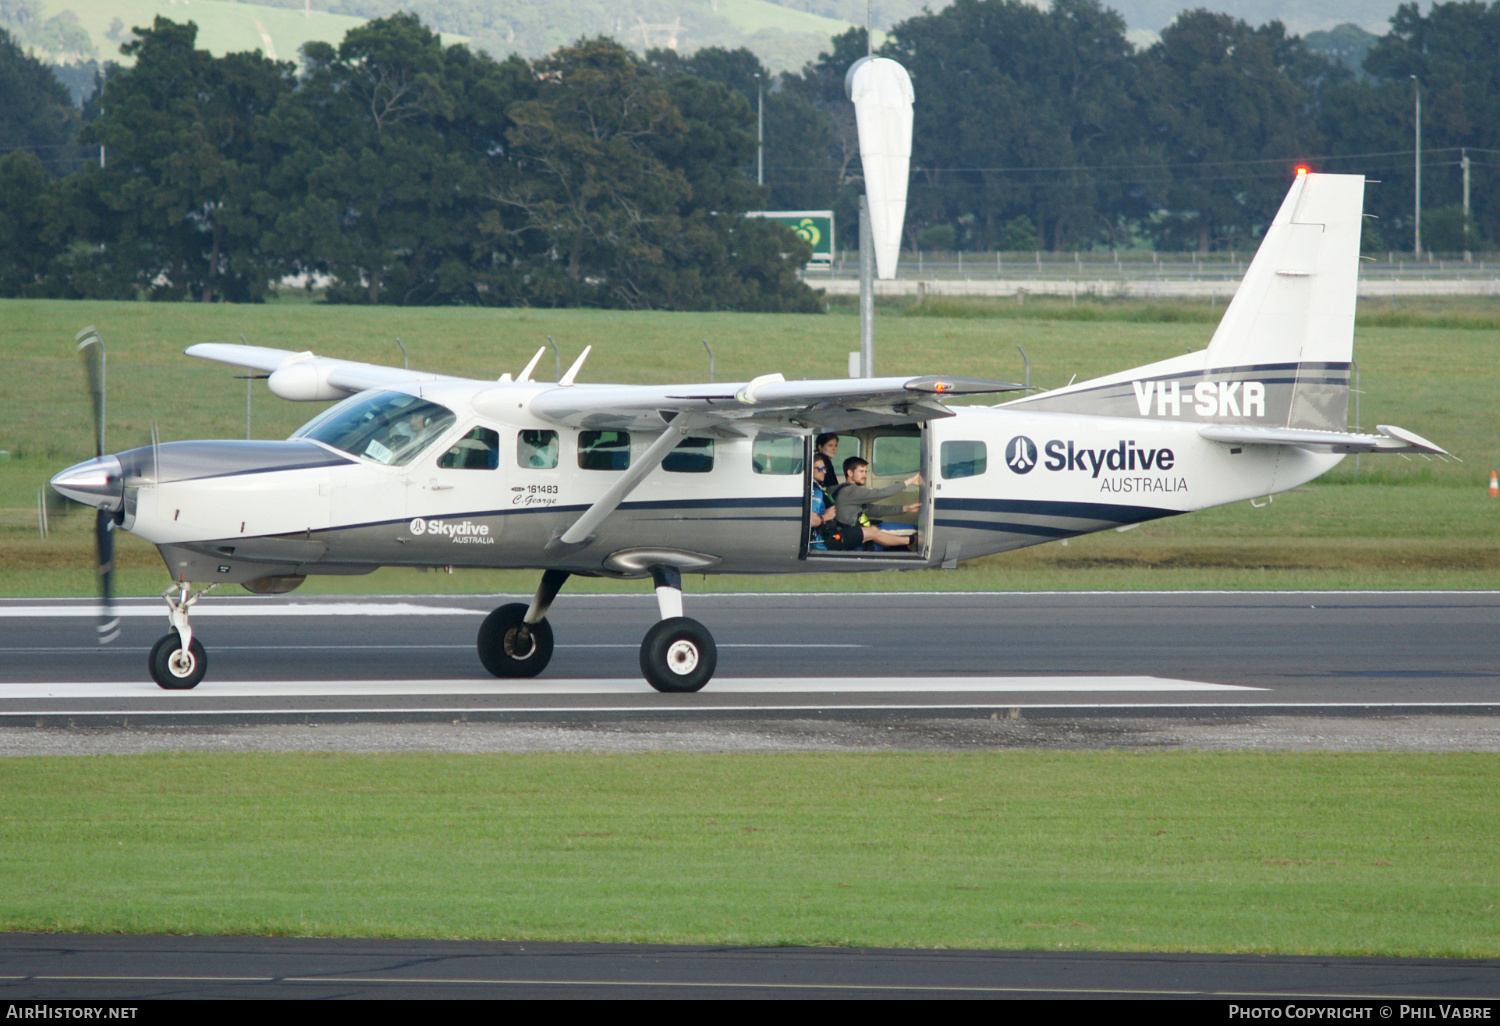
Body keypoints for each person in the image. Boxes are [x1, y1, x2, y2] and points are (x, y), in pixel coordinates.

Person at [823, 457, 922, 550]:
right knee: (917, 531)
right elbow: (882, 493)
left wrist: (906, 508)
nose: (865, 475)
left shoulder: (839, 489)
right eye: (861, 472)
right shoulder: (852, 491)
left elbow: (873, 510)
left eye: (866, 472)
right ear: (850, 473)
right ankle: (911, 542)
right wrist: (909, 482)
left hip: (851, 530)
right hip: (851, 533)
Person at [808, 453, 838, 550]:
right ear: (810, 469)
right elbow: (811, 520)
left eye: (825, 468)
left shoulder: (813, 486)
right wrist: (825, 517)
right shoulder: (815, 490)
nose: (824, 472)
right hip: (820, 541)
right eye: (820, 469)